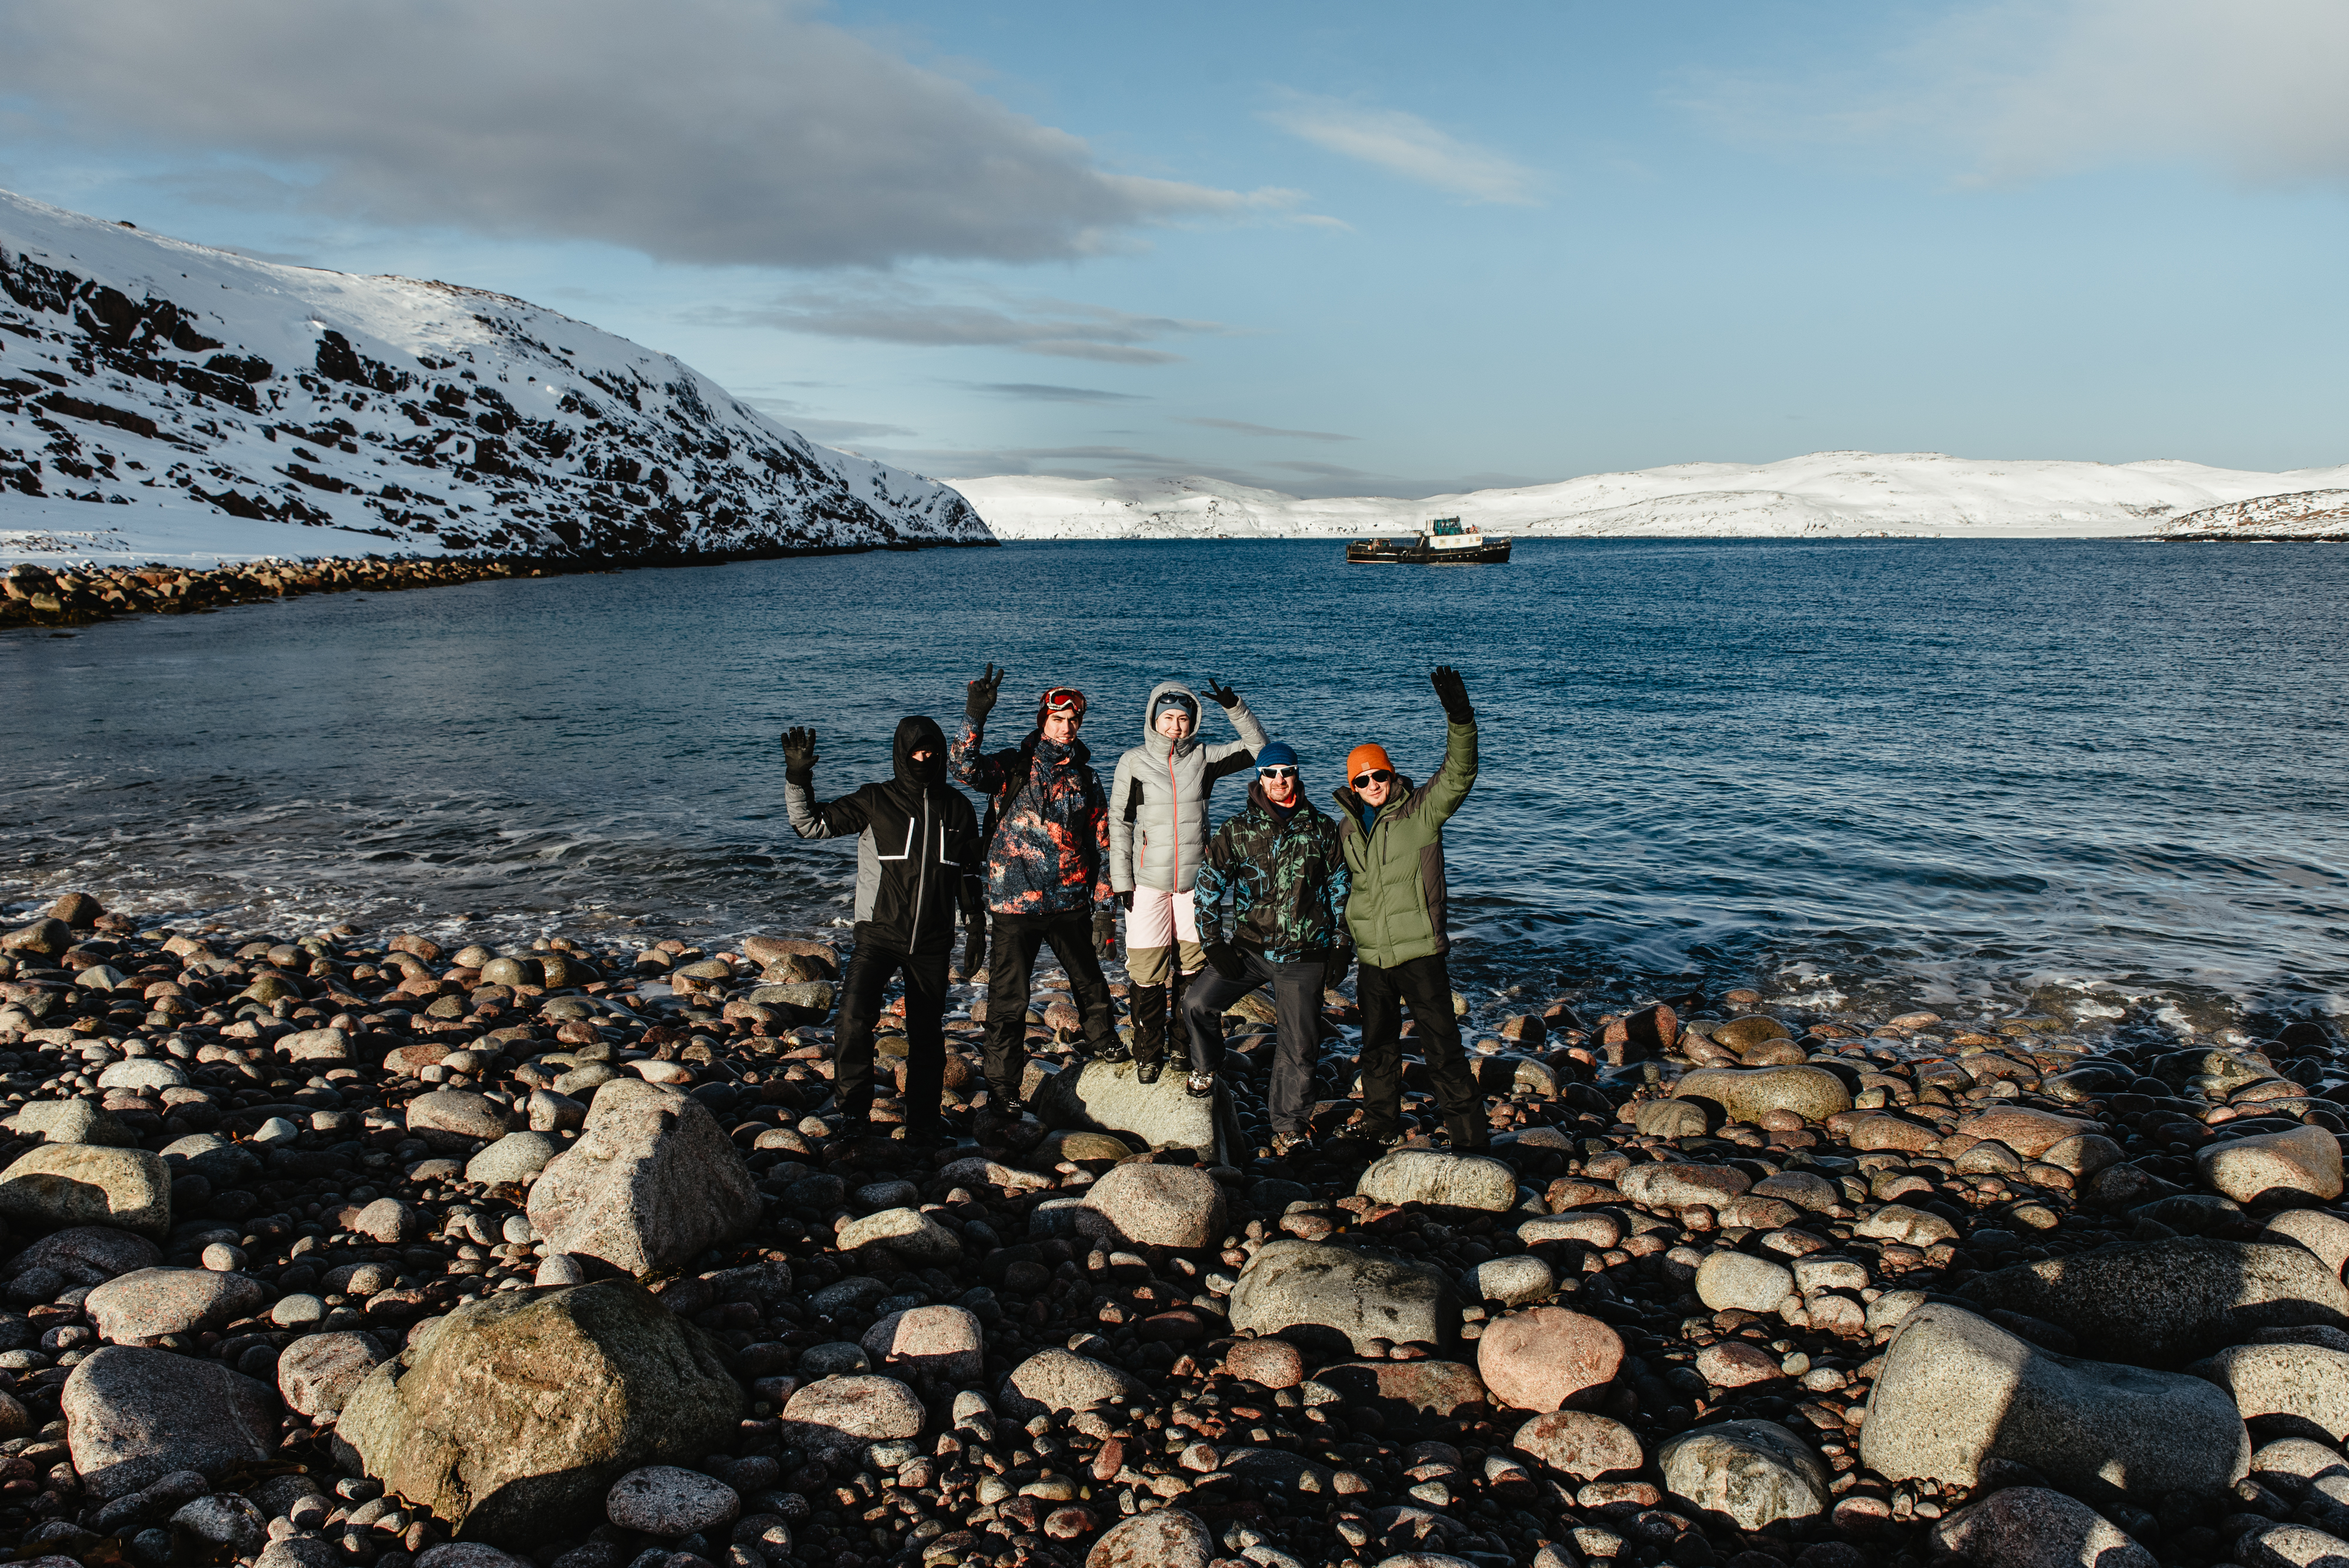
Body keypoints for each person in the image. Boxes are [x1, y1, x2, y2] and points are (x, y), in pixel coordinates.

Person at [780, 716, 982, 1156]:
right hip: (878, 936)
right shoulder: (876, 800)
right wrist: (799, 777)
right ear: (901, 752)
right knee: (852, 1021)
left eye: (931, 751)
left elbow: (968, 875)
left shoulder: (958, 808)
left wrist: (976, 926)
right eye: (916, 751)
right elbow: (810, 826)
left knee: (927, 1038)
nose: (924, 758)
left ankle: (924, 1127)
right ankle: (853, 1116)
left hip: (932, 941)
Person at [951, 665, 1119, 1139]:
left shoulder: (1087, 779)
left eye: (1073, 720)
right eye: (1058, 718)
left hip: (1070, 900)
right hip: (1013, 905)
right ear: (1043, 720)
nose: (1065, 727)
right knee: (1009, 1001)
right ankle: (1003, 1087)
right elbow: (962, 768)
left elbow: (1103, 841)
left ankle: (1104, 1041)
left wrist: (1105, 905)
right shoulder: (1012, 766)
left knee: (1089, 980)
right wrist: (975, 715)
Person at [1331, 666, 1485, 1153]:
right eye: (1363, 779)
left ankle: (1470, 1138)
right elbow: (1340, 887)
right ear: (1352, 786)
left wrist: (1459, 716)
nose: (1373, 784)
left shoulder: (1422, 811)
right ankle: (1381, 1120)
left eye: (1379, 774)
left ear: (1392, 773)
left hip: (1420, 953)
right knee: (1377, 1048)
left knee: (1443, 1049)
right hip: (1373, 958)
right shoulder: (1347, 829)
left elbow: (1460, 772)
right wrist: (1339, 941)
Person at [1188, 742, 1349, 1157]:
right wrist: (1213, 942)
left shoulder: (1321, 828)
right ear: (1259, 778)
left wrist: (1339, 947)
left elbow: (1341, 893)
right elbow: (1208, 887)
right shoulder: (1238, 829)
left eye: (1287, 772)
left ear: (1297, 775)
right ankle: (1207, 1066)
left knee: (1300, 1044)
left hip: (1304, 955)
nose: (1279, 780)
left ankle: (1290, 1124)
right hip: (1249, 950)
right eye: (1271, 773)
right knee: (1196, 1004)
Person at [1107, 679, 1267, 1088]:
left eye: (1183, 719)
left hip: (1195, 883)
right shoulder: (1134, 762)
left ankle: (1182, 1047)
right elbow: (1120, 823)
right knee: (1146, 971)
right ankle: (1147, 1053)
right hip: (1146, 884)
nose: (1175, 726)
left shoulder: (1203, 758)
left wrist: (1236, 708)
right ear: (1153, 720)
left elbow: (1258, 751)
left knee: (1192, 966)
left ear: (1193, 722)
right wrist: (1121, 879)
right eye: (1168, 718)